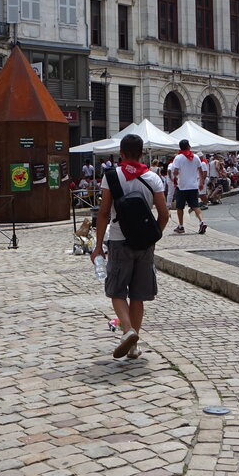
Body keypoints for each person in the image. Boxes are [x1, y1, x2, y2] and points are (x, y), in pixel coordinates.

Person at [91, 133, 169, 361]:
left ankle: (128, 331)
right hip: (144, 244)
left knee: (116, 290)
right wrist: (152, 236)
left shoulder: (111, 176)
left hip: (118, 240)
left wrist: (98, 246)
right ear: (142, 153)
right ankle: (134, 347)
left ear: (121, 154)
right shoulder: (153, 178)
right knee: (138, 295)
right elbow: (164, 215)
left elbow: (104, 213)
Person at [170, 139, 207, 234]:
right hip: (193, 185)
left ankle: (181, 226)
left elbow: (175, 171)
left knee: (179, 207)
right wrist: (201, 182)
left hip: (182, 186)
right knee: (195, 205)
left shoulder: (178, 158)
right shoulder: (195, 157)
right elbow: (200, 170)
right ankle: (201, 221)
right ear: (189, 146)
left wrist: (175, 176)